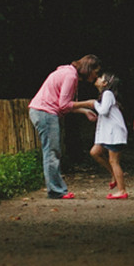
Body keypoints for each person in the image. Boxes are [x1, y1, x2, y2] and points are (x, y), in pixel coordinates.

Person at [28, 55, 101, 200]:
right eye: (96, 72)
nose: (96, 76)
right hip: (45, 113)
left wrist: (84, 111)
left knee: (52, 151)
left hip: (44, 111)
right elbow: (64, 105)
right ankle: (56, 191)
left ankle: (56, 189)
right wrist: (88, 103)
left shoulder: (68, 72)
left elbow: (63, 105)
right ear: (89, 69)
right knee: (52, 152)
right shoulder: (70, 76)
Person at [72, 72, 129, 198]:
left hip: (114, 133)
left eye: (100, 78)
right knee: (95, 152)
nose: (97, 78)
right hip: (108, 134)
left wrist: (93, 103)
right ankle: (113, 174)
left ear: (105, 83)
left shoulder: (108, 94)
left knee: (114, 161)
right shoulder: (105, 95)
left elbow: (103, 110)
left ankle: (122, 190)